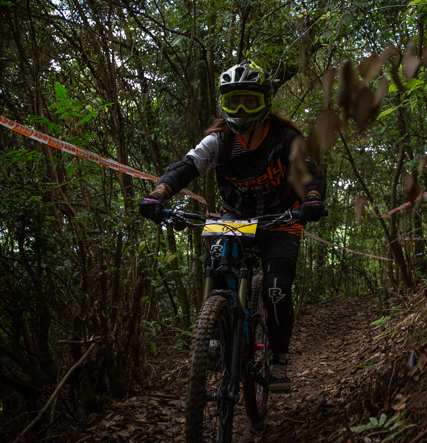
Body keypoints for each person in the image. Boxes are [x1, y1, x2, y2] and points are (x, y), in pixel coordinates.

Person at [138, 61, 326, 392]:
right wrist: (157, 196)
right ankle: (213, 332)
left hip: (281, 218)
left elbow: (310, 172)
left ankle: (279, 359)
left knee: (275, 290)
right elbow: (185, 167)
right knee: (214, 261)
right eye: (234, 101)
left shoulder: (285, 138)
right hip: (233, 216)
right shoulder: (219, 141)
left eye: (249, 102)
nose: (241, 110)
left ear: (266, 102)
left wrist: (311, 200)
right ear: (222, 104)